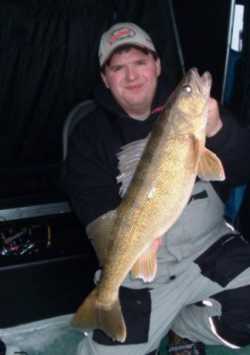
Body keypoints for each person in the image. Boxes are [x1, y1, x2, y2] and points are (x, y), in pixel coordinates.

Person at [65, 22, 250, 355]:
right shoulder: (88, 137)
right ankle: (117, 308)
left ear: (157, 66)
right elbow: (97, 216)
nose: (131, 75)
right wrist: (139, 246)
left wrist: (220, 129)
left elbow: (240, 170)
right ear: (106, 80)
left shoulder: (202, 119)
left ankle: (183, 327)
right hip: (145, 268)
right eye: (118, 68)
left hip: (209, 248)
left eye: (140, 62)